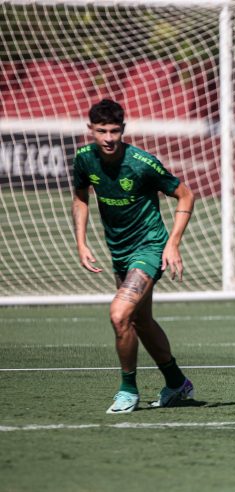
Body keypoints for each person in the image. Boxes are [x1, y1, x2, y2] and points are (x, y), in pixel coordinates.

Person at [71, 99, 196, 414]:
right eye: (102, 131)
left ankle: (128, 391)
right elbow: (80, 198)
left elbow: (185, 194)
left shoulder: (142, 163)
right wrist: (81, 243)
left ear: (123, 130)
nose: (109, 138)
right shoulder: (84, 159)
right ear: (91, 130)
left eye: (115, 131)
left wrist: (173, 244)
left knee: (119, 315)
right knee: (140, 320)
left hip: (150, 247)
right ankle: (177, 383)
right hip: (120, 252)